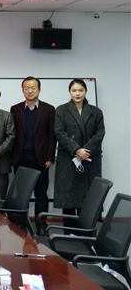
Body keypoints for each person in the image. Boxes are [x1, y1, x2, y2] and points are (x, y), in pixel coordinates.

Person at [54, 79, 105, 229]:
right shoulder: (61, 110)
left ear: (86, 92)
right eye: (74, 90)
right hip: (69, 158)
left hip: (89, 158)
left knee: (88, 198)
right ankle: (69, 230)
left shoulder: (96, 112)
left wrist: (85, 151)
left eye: (81, 90)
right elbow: (59, 133)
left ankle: (86, 231)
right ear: (70, 92)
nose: (77, 93)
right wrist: (77, 149)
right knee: (68, 197)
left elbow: (100, 133)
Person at [10, 76, 56, 236]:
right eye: (26, 88)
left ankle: (41, 225)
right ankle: (21, 223)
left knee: (41, 194)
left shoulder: (49, 109)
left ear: (39, 90)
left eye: (33, 88)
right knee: (21, 194)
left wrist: (50, 156)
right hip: (20, 157)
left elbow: (52, 135)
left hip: (41, 158)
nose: (30, 91)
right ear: (23, 90)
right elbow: (12, 134)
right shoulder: (15, 109)